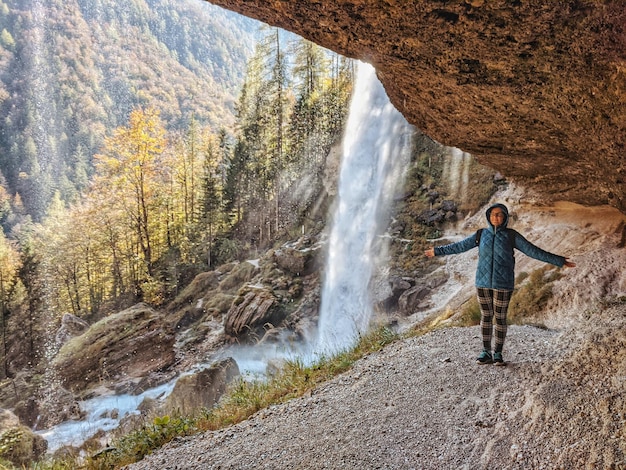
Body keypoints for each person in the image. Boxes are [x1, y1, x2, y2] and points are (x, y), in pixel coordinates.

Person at [424, 203, 575, 365]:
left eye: (499, 214)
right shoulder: (481, 234)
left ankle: (498, 353)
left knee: (500, 318)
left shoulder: (512, 236)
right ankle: (485, 352)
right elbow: (459, 246)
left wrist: (559, 261)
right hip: (482, 283)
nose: (496, 217)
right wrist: (437, 251)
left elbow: (533, 251)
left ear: (505, 217)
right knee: (486, 317)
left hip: (503, 283)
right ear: (488, 216)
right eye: (493, 214)